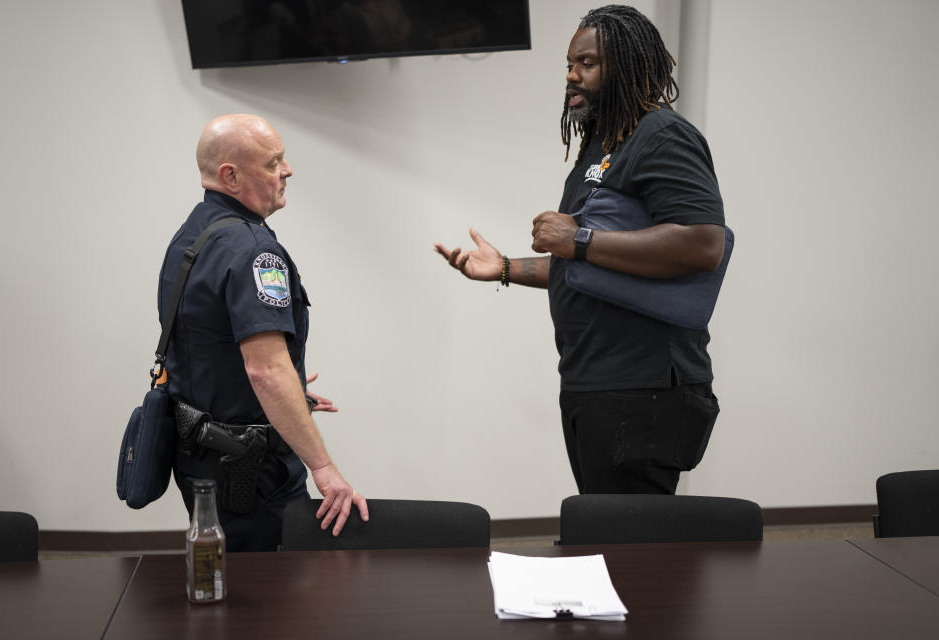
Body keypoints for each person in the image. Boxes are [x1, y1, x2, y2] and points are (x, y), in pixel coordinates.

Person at [434, 5, 725, 495]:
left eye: (586, 63)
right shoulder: (603, 144)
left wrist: (580, 239)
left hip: (643, 387)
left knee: (631, 551)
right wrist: (505, 267)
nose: (571, 74)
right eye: (570, 63)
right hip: (594, 379)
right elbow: (588, 264)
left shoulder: (663, 135)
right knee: (605, 535)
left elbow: (703, 242)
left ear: (630, 66)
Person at [159, 113, 367, 551]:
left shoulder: (190, 237)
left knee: (227, 569)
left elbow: (205, 347)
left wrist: (290, 391)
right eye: (273, 163)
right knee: (271, 595)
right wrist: (324, 468)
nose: (287, 171)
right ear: (230, 176)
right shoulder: (254, 251)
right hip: (249, 470)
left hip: (200, 457)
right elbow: (266, 373)